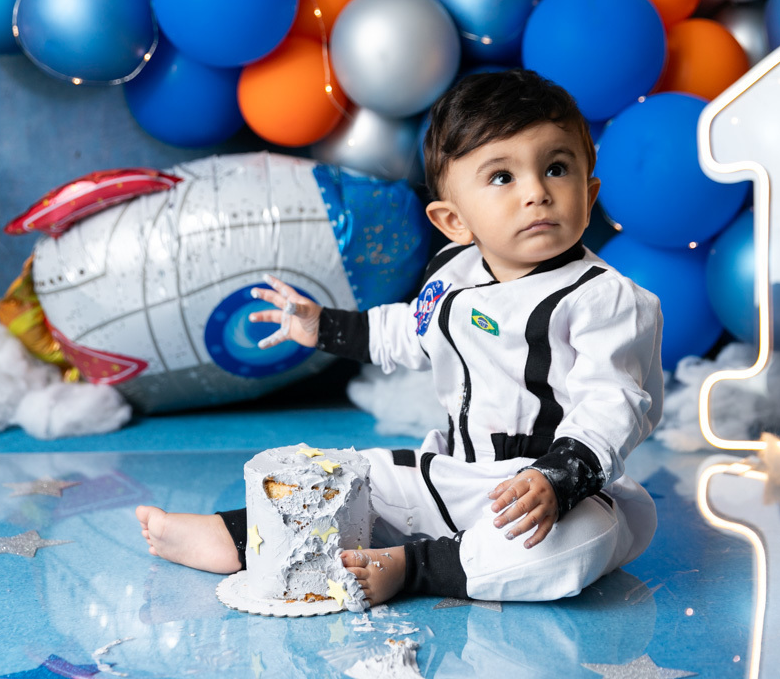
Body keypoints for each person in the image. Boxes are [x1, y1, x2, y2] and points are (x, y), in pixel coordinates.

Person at [136, 68, 664, 607]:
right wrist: (324, 326)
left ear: (589, 193)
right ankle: (241, 535)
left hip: (554, 495)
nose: (536, 193)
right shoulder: (455, 274)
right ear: (454, 220)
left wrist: (558, 478)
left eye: (556, 168)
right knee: (355, 476)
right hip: (454, 475)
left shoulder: (606, 299)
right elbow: (408, 332)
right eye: (503, 176)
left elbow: (612, 403)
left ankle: (415, 566)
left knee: (573, 547)